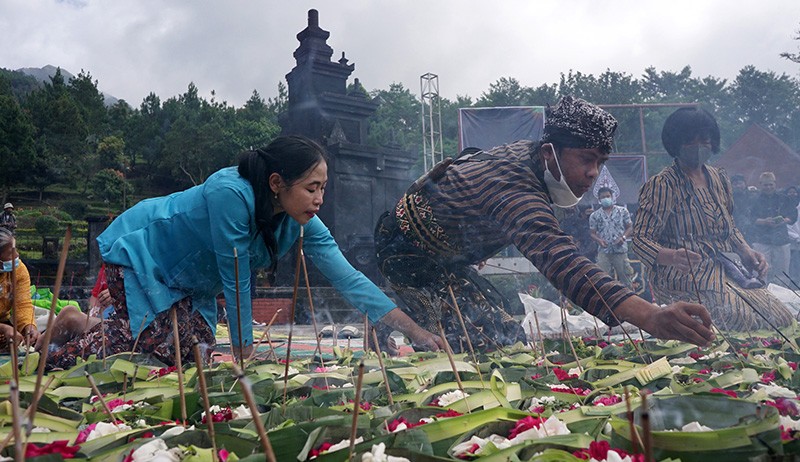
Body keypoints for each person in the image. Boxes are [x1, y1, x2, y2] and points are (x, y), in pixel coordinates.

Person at [39, 135, 443, 369]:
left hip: (189, 283)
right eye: (312, 187)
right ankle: (60, 346)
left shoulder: (299, 220)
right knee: (148, 349)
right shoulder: (230, 193)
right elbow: (236, 276)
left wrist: (416, 331)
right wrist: (244, 353)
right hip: (144, 253)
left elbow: (349, 278)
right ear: (275, 182)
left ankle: (79, 322)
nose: (320, 198)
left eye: (323, 187)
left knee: (190, 356)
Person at [374, 96, 715, 352]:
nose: (594, 173)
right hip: (408, 254)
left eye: (600, 161)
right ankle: (391, 311)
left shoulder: (533, 158)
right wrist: (649, 316)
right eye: (585, 159)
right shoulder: (516, 185)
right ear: (551, 153)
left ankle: (396, 311)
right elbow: (562, 261)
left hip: (446, 255)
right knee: (488, 340)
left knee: (506, 321)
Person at [631, 107, 793, 331]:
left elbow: (729, 227)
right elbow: (639, 239)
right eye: (690, 141)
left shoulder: (719, 178)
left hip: (721, 267)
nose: (698, 147)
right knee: (740, 319)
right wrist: (669, 255)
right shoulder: (662, 185)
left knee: (780, 317)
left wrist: (746, 251)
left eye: (704, 140)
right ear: (675, 143)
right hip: (682, 276)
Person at [747, 172, 797, 284]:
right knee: (760, 271)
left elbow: (793, 215)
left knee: (782, 273)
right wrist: (763, 221)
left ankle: (782, 297)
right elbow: (748, 218)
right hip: (761, 241)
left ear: (775, 183)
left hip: (781, 240)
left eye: (770, 184)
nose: (768, 187)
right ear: (760, 185)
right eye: (765, 185)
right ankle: (761, 296)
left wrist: (784, 220)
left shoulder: (784, 198)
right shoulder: (754, 200)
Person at [0, 227, 39, 346]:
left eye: (15, 249)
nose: (17, 255)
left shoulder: (18, 270)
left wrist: (29, 325)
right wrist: (3, 329)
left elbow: (22, 304)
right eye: (11, 253)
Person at [589, 187, 634, 287]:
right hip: (604, 251)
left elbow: (630, 227)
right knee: (602, 279)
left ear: (612, 197)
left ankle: (630, 299)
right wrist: (599, 240)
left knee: (626, 279)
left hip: (620, 251)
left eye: (608, 196)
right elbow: (592, 233)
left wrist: (623, 237)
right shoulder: (595, 215)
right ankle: (606, 300)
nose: (606, 199)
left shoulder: (623, 211)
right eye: (603, 197)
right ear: (599, 200)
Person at [730, 174, 754, 243]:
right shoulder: (729, 199)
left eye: (740, 183)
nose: (738, 186)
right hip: (737, 230)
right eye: (735, 184)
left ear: (745, 184)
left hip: (753, 230)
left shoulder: (753, 196)